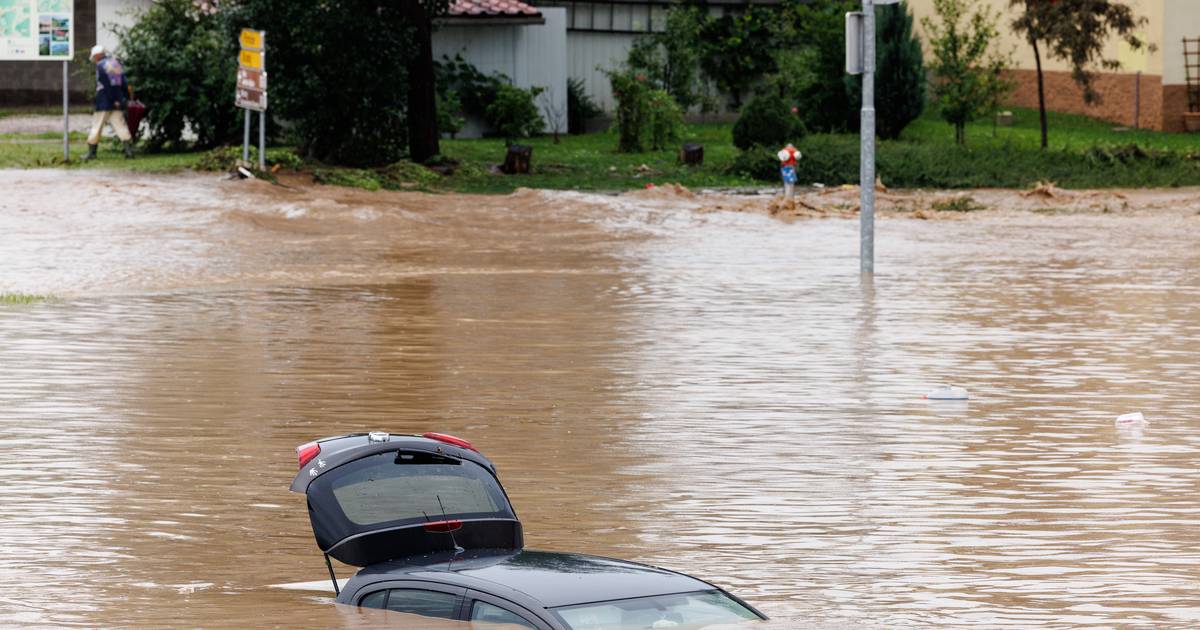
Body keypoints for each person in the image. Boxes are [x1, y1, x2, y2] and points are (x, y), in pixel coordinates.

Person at [85, 44, 134, 160]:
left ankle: (92, 153)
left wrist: (114, 99)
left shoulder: (101, 66)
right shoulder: (116, 63)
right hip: (118, 100)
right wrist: (123, 99)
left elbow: (107, 85)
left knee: (97, 126)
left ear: (97, 56)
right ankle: (129, 152)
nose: (94, 60)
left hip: (104, 101)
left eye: (94, 57)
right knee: (120, 125)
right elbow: (123, 83)